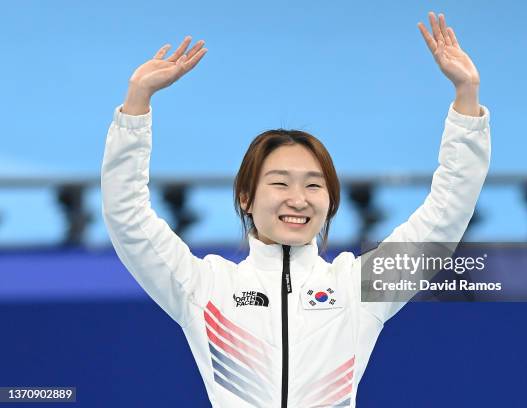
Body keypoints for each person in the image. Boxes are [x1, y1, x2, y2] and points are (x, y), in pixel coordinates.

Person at [101, 11, 490, 408]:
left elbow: (446, 213)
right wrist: (136, 103)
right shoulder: (206, 287)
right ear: (245, 198)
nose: (298, 199)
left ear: (330, 201)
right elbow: (127, 216)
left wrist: (466, 97)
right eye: (280, 182)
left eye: (313, 185)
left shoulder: (357, 288)